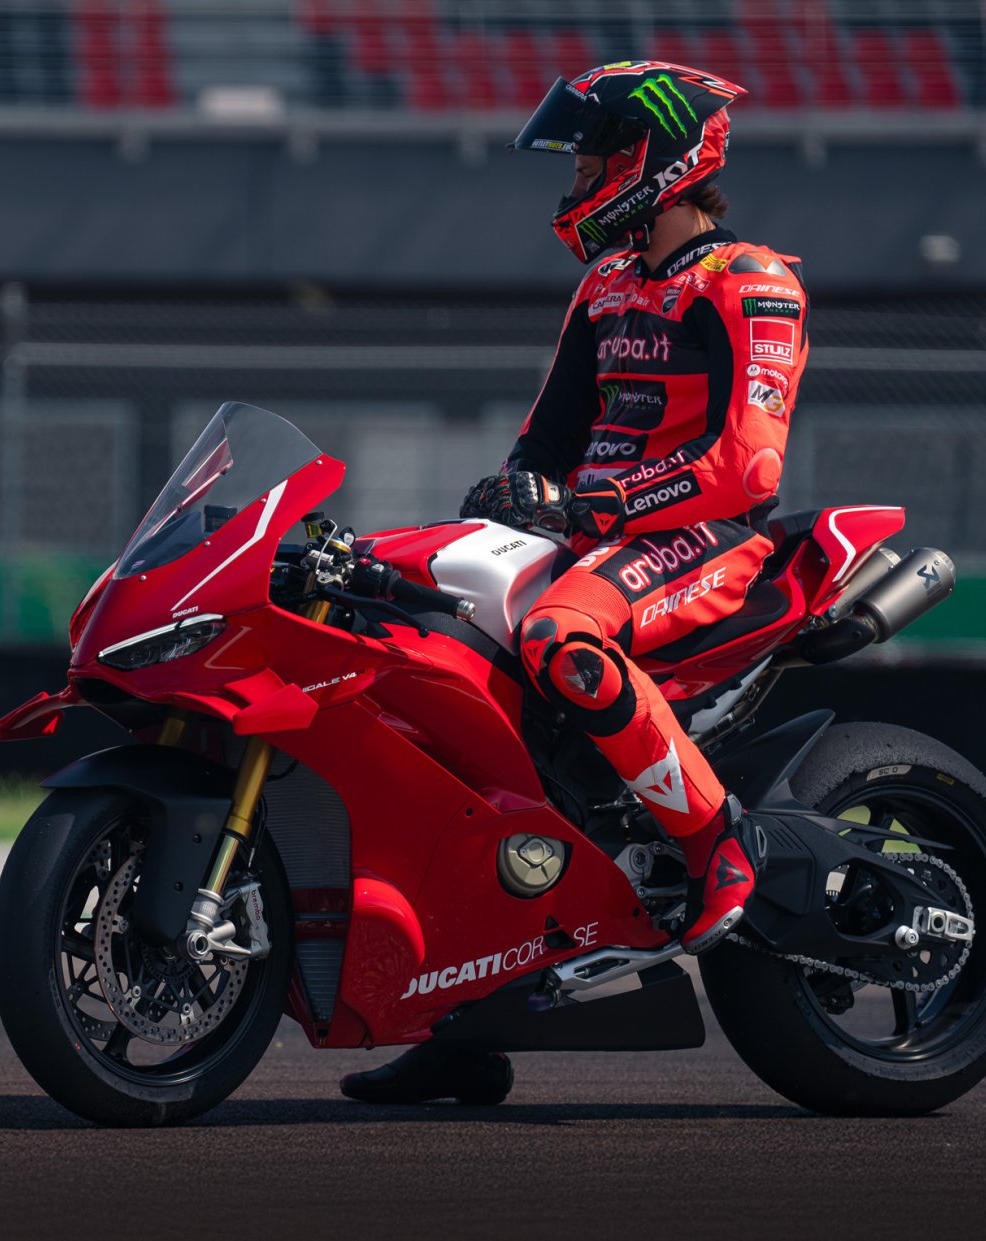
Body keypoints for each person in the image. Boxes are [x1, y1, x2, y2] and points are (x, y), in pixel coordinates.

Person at [343, 62, 805, 1105]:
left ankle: (720, 844)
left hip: (704, 537)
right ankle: (460, 1020)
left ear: (659, 161)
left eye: (595, 161)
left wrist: (602, 501)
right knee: (423, 648)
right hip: (595, 537)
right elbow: (545, 438)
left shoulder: (751, 280)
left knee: (559, 637)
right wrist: (511, 493)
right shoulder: (605, 287)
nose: (579, 181)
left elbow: (749, 468)